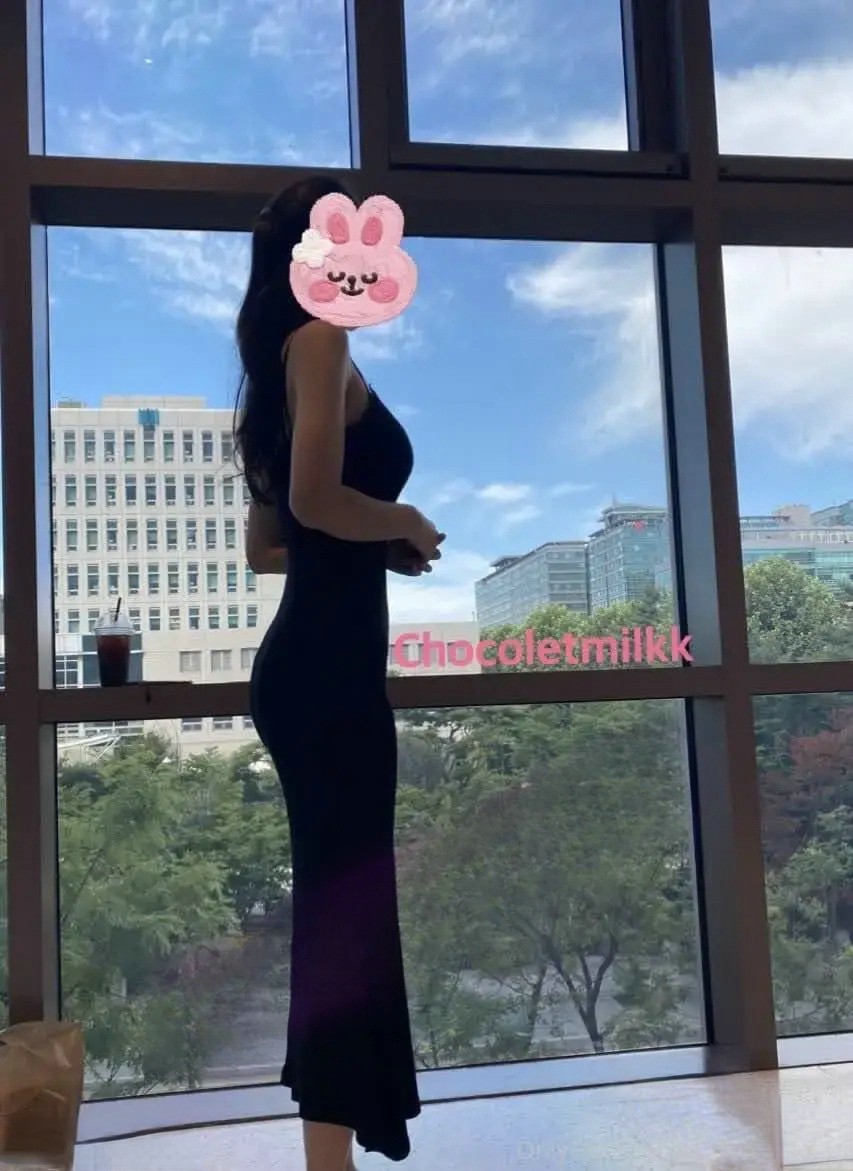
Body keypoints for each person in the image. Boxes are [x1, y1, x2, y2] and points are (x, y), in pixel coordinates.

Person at [233, 174, 444, 1171]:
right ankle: (330, 1156)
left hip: (306, 668)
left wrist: (375, 548)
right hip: (327, 674)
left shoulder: (271, 373)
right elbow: (316, 503)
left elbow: (268, 544)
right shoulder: (319, 344)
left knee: (339, 906)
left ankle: (331, 1153)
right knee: (343, 909)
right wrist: (401, 519)